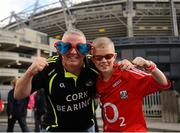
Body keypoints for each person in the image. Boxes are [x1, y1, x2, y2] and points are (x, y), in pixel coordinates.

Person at [14, 28, 132, 132]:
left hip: (87, 128)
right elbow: (18, 95)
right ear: (60, 49)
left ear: (86, 50)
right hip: (54, 129)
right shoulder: (47, 68)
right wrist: (29, 72)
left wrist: (123, 64)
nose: (73, 52)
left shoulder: (94, 64)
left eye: (80, 47)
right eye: (67, 47)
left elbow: (111, 67)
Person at [91, 37, 171, 132]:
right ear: (93, 59)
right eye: (99, 57)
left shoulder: (127, 72)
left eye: (108, 56)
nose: (104, 61)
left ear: (115, 56)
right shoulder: (96, 80)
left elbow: (163, 83)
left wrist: (149, 65)